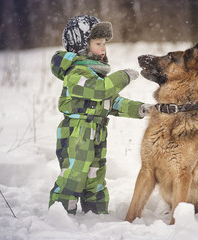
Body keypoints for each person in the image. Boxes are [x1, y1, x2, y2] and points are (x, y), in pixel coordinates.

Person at [49, 15, 150, 214]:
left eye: (104, 43)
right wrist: (123, 76)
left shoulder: (95, 75)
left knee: (95, 176)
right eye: (98, 43)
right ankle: (61, 216)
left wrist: (139, 108)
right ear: (81, 46)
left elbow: (111, 101)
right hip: (76, 133)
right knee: (74, 175)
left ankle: (96, 214)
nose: (103, 47)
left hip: (96, 131)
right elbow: (101, 90)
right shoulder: (75, 74)